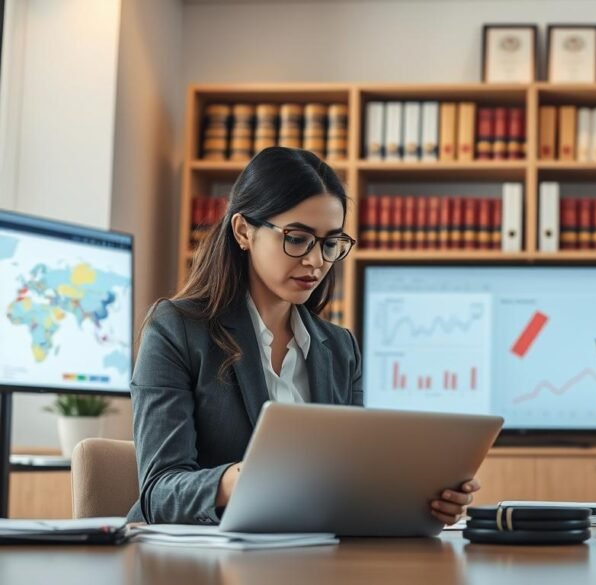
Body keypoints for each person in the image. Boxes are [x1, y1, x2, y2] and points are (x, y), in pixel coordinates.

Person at [128, 147, 479, 525]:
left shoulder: (341, 349)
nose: (316, 261)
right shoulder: (176, 329)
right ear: (244, 231)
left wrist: (421, 501)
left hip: (309, 556)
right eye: (297, 238)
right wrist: (243, 478)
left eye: (330, 243)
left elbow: (349, 483)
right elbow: (159, 491)